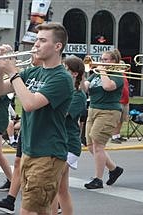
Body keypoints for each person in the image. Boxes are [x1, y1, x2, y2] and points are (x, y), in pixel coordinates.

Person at [0, 22, 73, 214]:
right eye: (36, 40)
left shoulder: (62, 78)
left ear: (57, 46)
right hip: (30, 150)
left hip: (48, 153)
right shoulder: (33, 72)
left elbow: (29, 104)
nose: (36, 45)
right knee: (40, 210)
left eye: (42, 40)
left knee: (27, 211)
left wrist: (12, 71)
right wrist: (0, 67)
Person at [51, 56, 87, 215]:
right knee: (61, 189)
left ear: (74, 74)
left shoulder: (78, 95)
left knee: (52, 187)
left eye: (65, 69)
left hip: (69, 145)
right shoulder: (65, 91)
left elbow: (62, 115)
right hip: (60, 143)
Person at [83, 50, 124, 189]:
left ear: (114, 61)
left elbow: (108, 87)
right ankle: (114, 169)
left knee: (98, 145)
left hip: (109, 111)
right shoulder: (95, 74)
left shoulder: (117, 75)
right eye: (101, 59)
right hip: (93, 109)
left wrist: (102, 71)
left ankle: (98, 179)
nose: (102, 61)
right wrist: (81, 75)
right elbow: (84, 88)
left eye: (106, 59)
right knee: (90, 145)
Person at [111, 58, 130, 144]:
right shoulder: (117, 75)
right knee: (117, 120)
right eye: (122, 65)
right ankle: (114, 136)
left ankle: (118, 134)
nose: (124, 67)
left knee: (122, 119)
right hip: (119, 100)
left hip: (125, 100)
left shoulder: (124, 75)